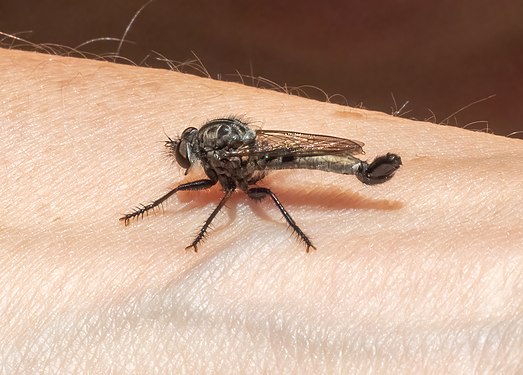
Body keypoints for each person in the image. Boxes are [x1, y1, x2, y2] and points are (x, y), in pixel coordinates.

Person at [1, 47, 522, 373]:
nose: (185, 159)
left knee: (252, 194)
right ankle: (362, 175)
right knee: (249, 190)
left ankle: (349, 186)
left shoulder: (222, 162)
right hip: (266, 154)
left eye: (187, 153)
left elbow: (229, 192)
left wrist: (197, 231)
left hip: (263, 165)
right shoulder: (228, 150)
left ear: (200, 150)